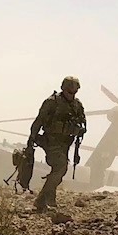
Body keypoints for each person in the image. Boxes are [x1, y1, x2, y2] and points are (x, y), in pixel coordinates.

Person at [27, 76, 88, 211]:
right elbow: (39, 121)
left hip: (66, 143)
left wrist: (79, 130)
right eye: (69, 92)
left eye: (74, 92)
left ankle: (47, 200)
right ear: (63, 89)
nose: (71, 95)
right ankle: (42, 200)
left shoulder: (77, 105)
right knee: (61, 167)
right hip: (51, 141)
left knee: (58, 171)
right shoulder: (52, 102)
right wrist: (31, 139)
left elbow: (82, 122)